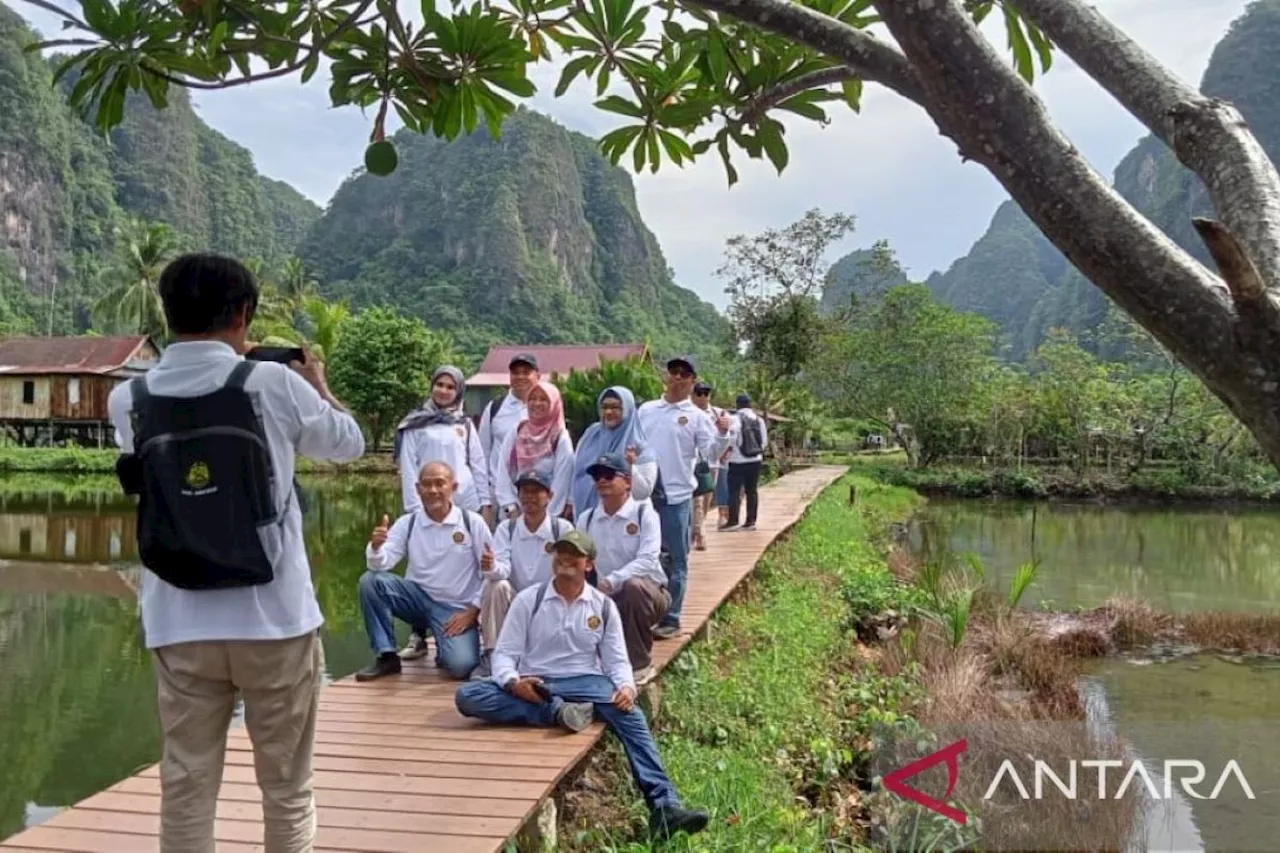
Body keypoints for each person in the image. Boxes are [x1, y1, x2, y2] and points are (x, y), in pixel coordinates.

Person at [108, 253, 365, 853]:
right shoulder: (272, 384)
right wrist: (317, 385)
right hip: (274, 620)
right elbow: (349, 445)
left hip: (178, 620)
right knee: (287, 789)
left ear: (167, 313)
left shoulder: (131, 398)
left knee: (187, 786)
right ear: (244, 314)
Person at [454, 529, 710, 843]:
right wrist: (513, 682)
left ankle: (665, 804)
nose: (565, 560)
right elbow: (504, 654)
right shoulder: (528, 600)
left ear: (588, 564)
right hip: (539, 683)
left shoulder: (602, 606)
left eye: (574, 555)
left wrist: (627, 688)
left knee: (630, 716)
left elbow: (616, 660)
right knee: (468, 695)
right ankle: (558, 711)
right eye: (560, 552)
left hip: (587, 682)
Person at [355, 461, 492, 681]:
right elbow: (380, 565)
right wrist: (376, 547)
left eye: (440, 484)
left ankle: (443, 645)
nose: (433, 490)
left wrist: (473, 612)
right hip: (416, 601)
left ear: (454, 487)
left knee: (461, 666)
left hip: (454, 609)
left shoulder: (471, 523)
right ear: (418, 489)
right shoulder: (408, 523)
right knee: (370, 582)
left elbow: (491, 573)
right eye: (426, 485)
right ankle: (386, 654)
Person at [638, 356, 730, 639]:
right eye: (673, 372)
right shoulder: (646, 410)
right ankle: (642, 613)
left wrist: (724, 432)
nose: (678, 377)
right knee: (642, 555)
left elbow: (712, 453)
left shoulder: (698, 418)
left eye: (684, 374)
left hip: (676, 497)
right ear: (667, 377)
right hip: (642, 496)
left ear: (692, 381)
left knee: (675, 558)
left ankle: (672, 618)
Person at [472, 464, 574, 680]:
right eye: (524, 491)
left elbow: (569, 574)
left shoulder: (562, 530)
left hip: (551, 603)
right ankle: (493, 655)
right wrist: (490, 567)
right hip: (516, 603)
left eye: (536, 491)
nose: (529, 497)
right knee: (495, 585)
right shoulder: (506, 529)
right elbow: (503, 569)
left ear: (549, 495)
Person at [574, 452, 668, 684]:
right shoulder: (586, 519)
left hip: (649, 593)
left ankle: (640, 664)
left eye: (608, 475)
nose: (602, 481)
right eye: (597, 476)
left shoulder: (644, 513)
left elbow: (648, 559)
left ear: (627, 481)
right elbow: (576, 560)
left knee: (633, 587)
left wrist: (612, 580)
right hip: (606, 597)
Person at [571, 385, 658, 517]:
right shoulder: (591, 435)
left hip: (627, 520)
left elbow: (644, 492)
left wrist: (632, 466)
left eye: (615, 407)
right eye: (604, 407)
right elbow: (576, 472)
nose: (608, 412)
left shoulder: (640, 447)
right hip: (588, 517)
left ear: (627, 409)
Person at [494, 381, 576, 521]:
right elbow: (503, 470)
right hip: (514, 515)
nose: (537, 403)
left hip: (548, 518)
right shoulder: (518, 430)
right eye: (532, 398)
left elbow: (562, 481)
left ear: (554, 404)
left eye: (543, 399)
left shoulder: (559, 437)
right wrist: (511, 507)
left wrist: (544, 517)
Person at [478, 352, 541, 512]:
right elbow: (481, 455)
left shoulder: (546, 409)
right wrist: (485, 498)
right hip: (498, 496)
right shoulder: (494, 408)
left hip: (537, 494)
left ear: (538, 376)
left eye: (526, 372)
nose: (520, 377)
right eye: (515, 373)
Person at [690, 381, 730, 548]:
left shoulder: (718, 413)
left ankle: (699, 528)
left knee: (706, 501)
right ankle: (700, 536)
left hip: (712, 464)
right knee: (696, 501)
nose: (702, 396)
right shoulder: (688, 413)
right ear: (693, 394)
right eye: (699, 393)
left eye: (706, 393)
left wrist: (724, 447)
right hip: (693, 464)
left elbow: (728, 436)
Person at [726, 393, 768, 531]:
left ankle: (733, 521)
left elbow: (732, 439)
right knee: (752, 490)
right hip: (755, 459)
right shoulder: (759, 420)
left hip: (737, 460)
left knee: (734, 491)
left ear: (737, 405)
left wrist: (728, 451)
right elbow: (764, 441)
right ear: (750, 405)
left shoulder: (734, 418)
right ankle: (750, 522)